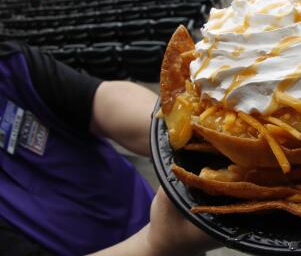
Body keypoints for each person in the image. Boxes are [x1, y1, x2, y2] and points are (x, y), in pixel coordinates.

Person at [0, 41, 216, 255]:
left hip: (145, 209)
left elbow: (98, 100)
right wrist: (155, 244)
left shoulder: (8, 65)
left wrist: (185, 135)